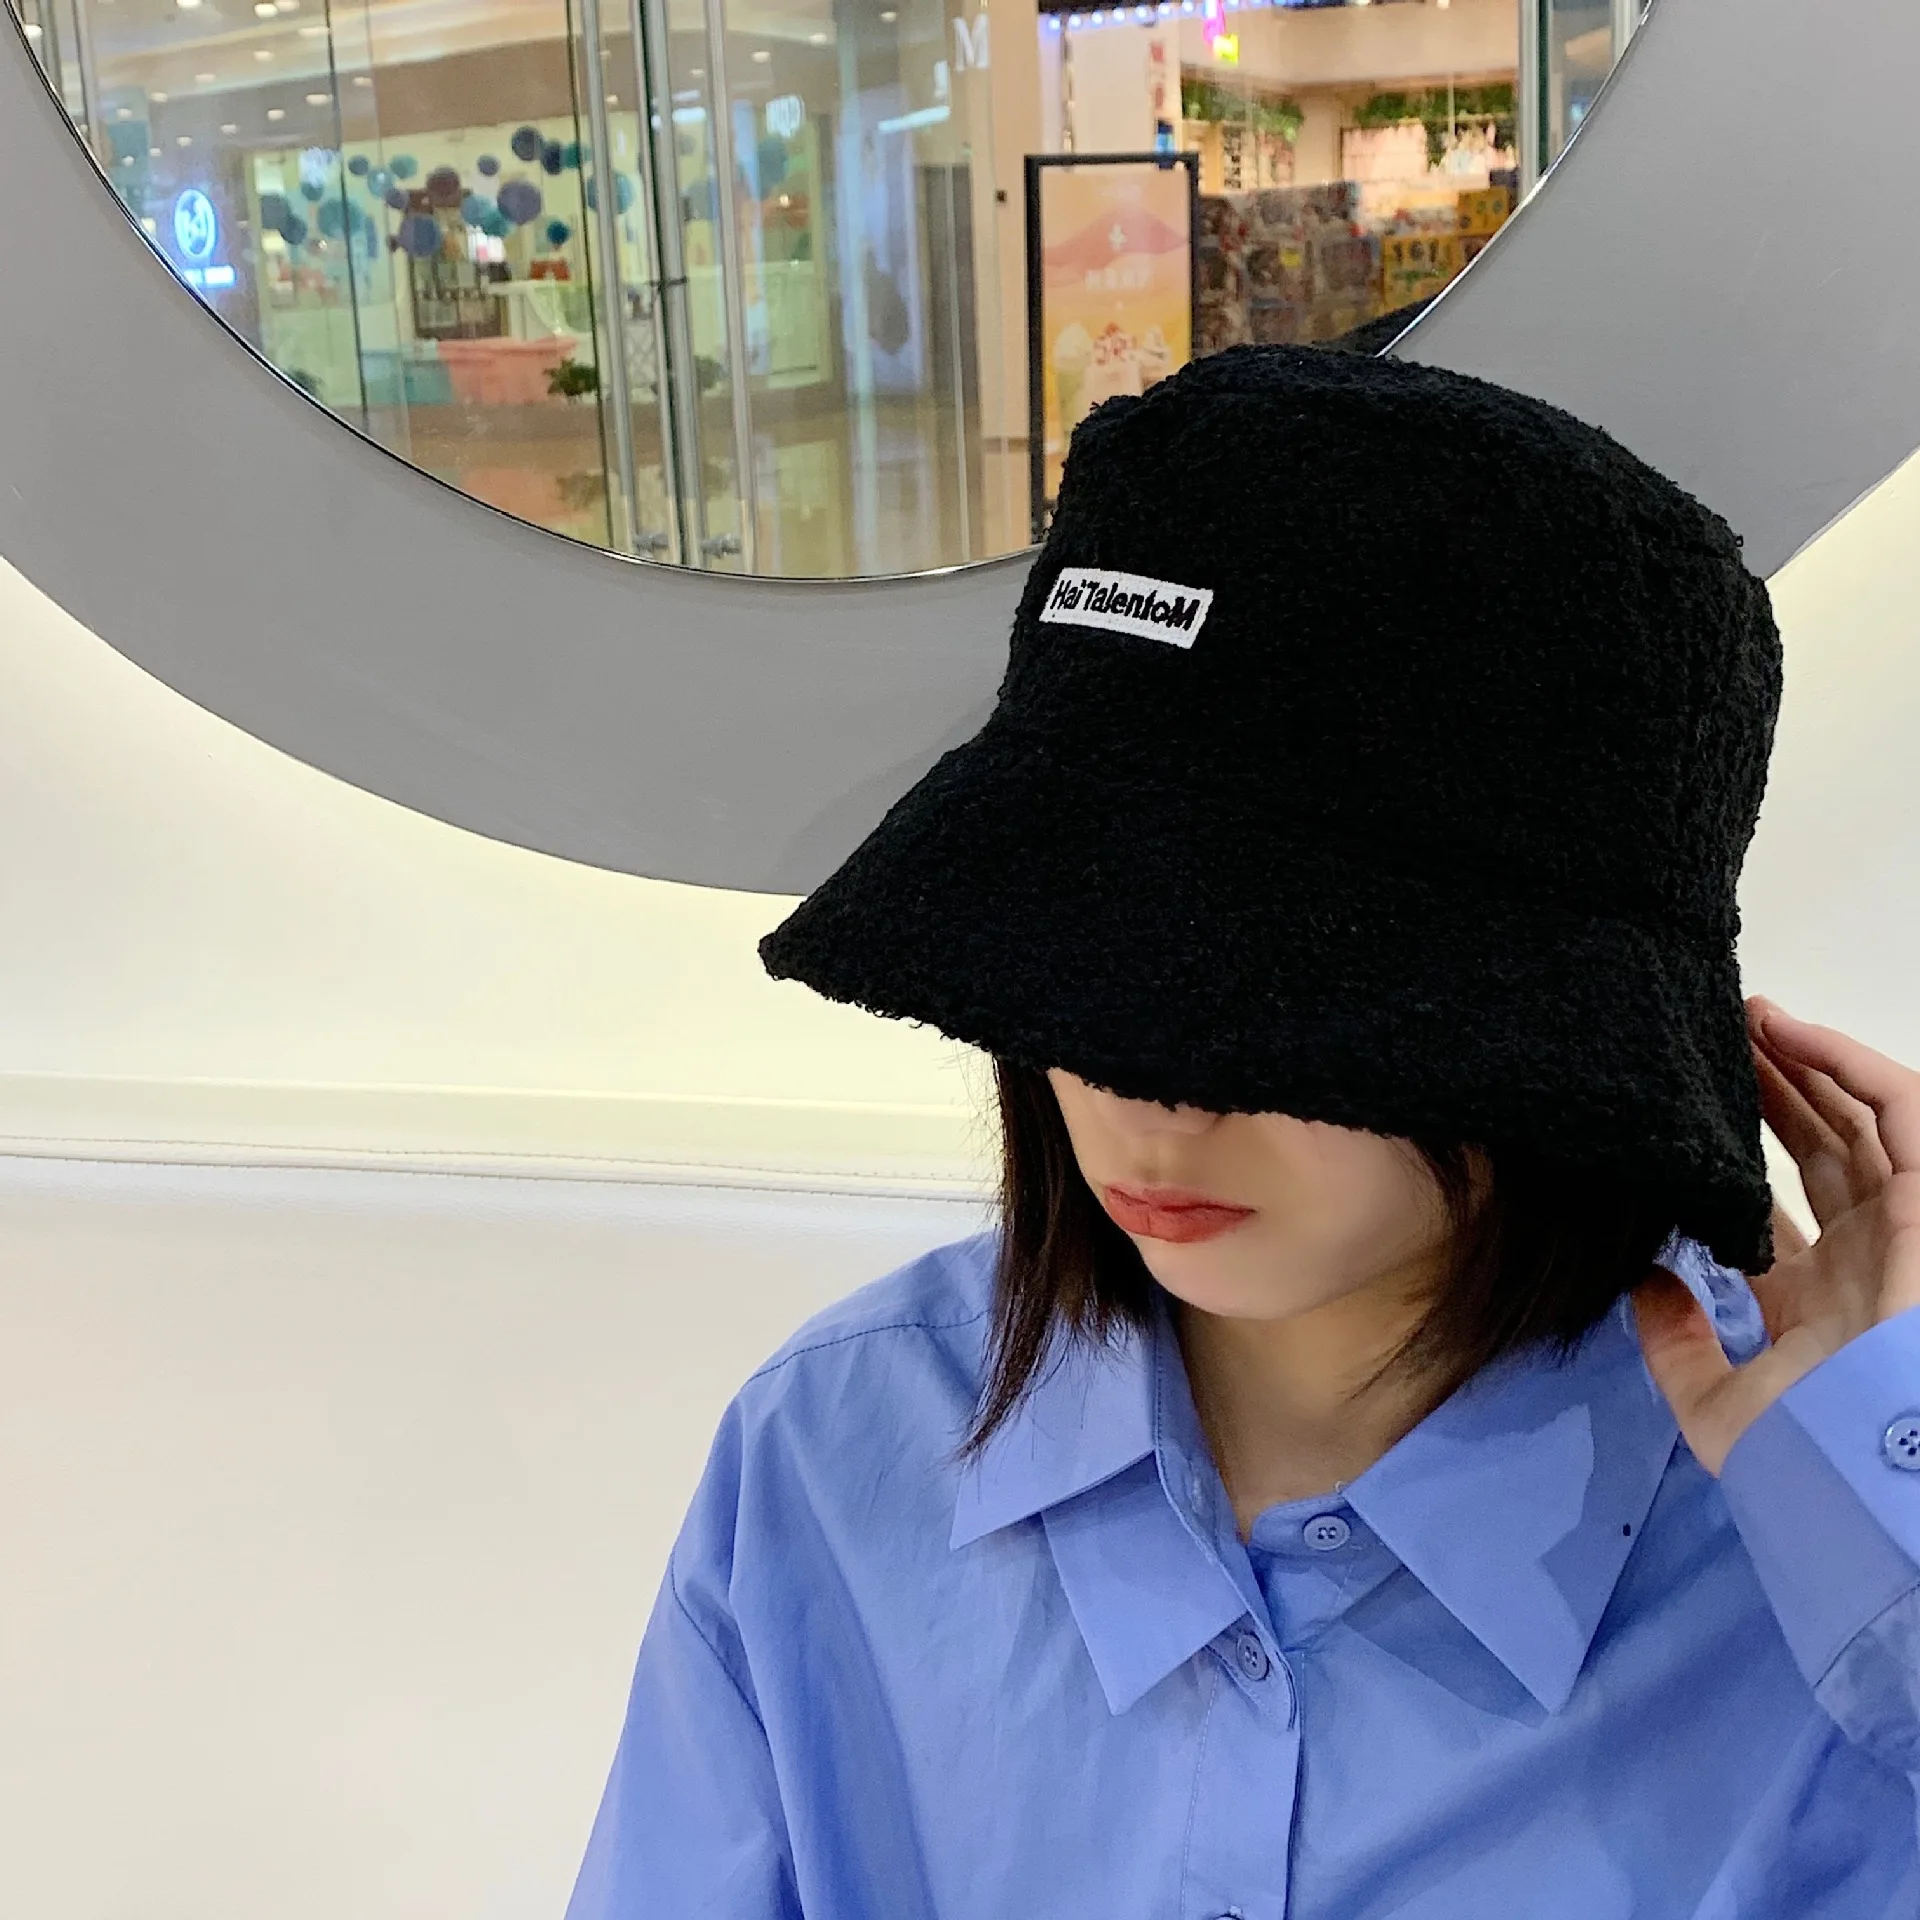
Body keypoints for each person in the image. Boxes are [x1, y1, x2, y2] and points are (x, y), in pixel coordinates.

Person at [564, 348, 1920, 1917]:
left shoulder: (1822, 1552)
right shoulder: (834, 1449)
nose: (1148, 1090)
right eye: (1077, 952)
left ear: (1554, 1030)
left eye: (1280, 999)